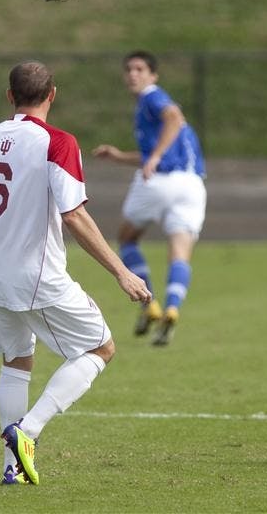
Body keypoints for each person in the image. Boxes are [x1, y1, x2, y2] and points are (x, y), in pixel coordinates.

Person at [0, 61, 152, 486]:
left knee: (17, 360)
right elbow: (74, 215)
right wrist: (121, 271)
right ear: (53, 95)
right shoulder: (58, 142)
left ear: (10, 96)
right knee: (100, 349)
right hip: (35, 275)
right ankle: (26, 433)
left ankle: (11, 466)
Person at [92, 50, 206, 346]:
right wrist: (120, 157)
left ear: (153, 76)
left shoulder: (153, 98)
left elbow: (173, 118)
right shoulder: (153, 105)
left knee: (127, 239)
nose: (133, 74)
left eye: (140, 69)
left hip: (159, 183)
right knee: (180, 253)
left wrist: (154, 157)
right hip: (192, 185)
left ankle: (149, 303)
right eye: (129, 69)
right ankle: (172, 309)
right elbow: (159, 152)